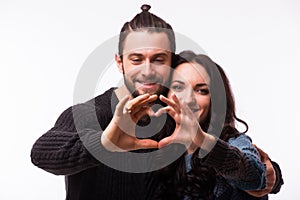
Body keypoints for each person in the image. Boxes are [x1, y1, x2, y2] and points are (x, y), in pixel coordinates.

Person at [31, 5, 282, 200]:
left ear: (171, 62)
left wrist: (271, 172)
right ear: (120, 62)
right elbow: (42, 153)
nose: (148, 70)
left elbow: (228, 155)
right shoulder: (90, 113)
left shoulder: (175, 112)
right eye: (137, 59)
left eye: (159, 59)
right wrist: (105, 144)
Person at [152, 50, 283, 199]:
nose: (188, 99)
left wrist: (201, 139)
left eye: (202, 90)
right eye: (178, 87)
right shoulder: (161, 150)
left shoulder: (235, 142)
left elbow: (255, 177)